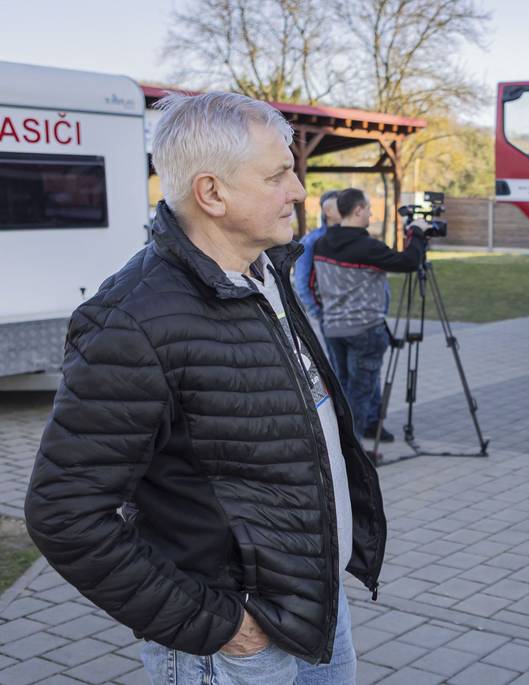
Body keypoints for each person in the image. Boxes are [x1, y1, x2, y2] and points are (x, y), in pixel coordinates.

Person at [24, 92, 386, 684]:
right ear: (212, 193)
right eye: (278, 175)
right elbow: (63, 515)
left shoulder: (267, 273)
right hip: (235, 640)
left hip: (315, 607)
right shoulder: (133, 319)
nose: (298, 190)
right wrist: (221, 627)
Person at [313, 187, 425, 443]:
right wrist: (417, 233)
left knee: (343, 388)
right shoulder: (366, 246)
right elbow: (408, 262)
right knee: (360, 394)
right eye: (369, 210)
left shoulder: (321, 243)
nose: (371, 215)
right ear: (358, 210)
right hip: (364, 330)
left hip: (333, 328)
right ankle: (353, 456)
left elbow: (313, 283)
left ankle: (338, 447)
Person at [294, 189, 342, 322]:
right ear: (327, 211)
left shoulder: (353, 237)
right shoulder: (311, 241)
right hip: (328, 316)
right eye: (340, 205)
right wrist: (317, 313)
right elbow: (301, 280)